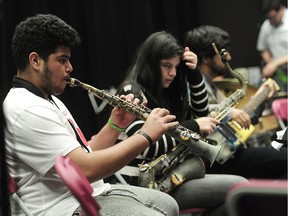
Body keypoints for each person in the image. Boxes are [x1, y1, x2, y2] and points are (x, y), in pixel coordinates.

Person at [3, 14, 181, 216]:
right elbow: (84, 170)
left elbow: (85, 154)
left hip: (90, 194)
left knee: (169, 204)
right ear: (35, 60)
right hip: (64, 208)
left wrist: (115, 125)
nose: (70, 68)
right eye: (62, 60)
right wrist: (146, 135)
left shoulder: (48, 100)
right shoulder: (27, 109)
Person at [116, 31, 248, 216]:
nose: (172, 73)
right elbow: (144, 146)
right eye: (166, 66)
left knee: (237, 193)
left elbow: (201, 115)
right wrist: (192, 126)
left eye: (176, 67)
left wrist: (194, 75)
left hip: (165, 177)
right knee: (239, 187)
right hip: (142, 184)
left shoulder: (168, 90)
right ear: (150, 64)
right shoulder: (131, 91)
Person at [184, 25, 287, 180]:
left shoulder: (213, 85)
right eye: (223, 54)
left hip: (232, 152)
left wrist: (261, 99)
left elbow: (241, 123)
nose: (229, 58)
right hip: (217, 160)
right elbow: (199, 116)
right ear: (205, 58)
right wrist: (229, 112)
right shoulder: (194, 86)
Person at [256, 0, 288, 92]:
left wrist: (275, 63)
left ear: (281, 9)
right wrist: (270, 63)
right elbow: (263, 49)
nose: (271, 21)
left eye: (274, 17)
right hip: (279, 71)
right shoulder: (266, 25)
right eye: (269, 18)